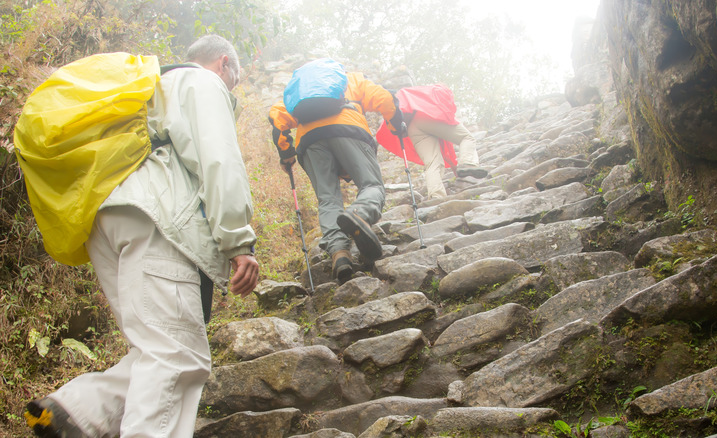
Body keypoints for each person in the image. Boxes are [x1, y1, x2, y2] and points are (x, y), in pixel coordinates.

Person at [23, 35, 259, 437]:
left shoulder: (147, 93)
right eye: (233, 79)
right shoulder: (198, 82)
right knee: (175, 355)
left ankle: (77, 411)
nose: (231, 86)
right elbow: (218, 158)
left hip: (105, 217)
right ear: (224, 64)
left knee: (158, 346)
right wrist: (238, 241)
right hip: (155, 217)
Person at [269, 58, 404, 284]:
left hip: (310, 141)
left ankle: (340, 254)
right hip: (349, 129)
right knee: (371, 185)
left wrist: (286, 154)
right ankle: (360, 213)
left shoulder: (301, 93)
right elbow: (385, 99)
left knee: (328, 199)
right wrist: (395, 124)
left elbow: (278, 119)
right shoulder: (351, 80)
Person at [376, 84, 488, 200]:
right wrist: (461, 166)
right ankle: (469, 163)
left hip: (412, 128)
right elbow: (447, 140)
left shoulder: (417, 95)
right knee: (467, 138)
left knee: (433, 163)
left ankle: (436, 196)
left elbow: (444, 146)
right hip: (427, 116)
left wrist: (455, 167)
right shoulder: (439, 90)